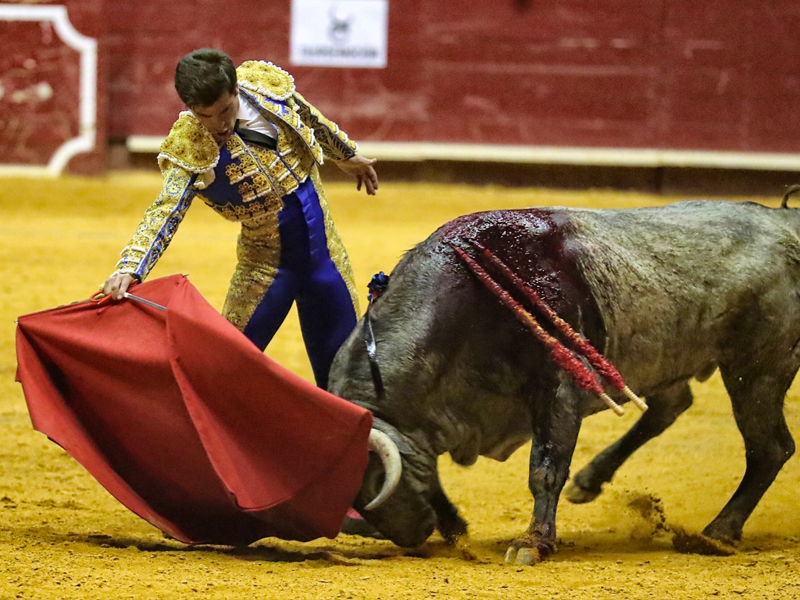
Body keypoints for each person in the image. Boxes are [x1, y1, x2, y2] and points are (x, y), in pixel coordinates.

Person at [103, 48, 378, 390]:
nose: (218, 125)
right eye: (205, 116)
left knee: (347, 377)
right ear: (191, 109)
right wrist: (131, 267)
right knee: (222, 373)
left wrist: (347, 154)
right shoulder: (188, 145)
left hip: (327, 258)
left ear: (236, 90)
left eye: (225, 111)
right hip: (265, 271)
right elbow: (165, 210)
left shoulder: (263, 87)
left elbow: (309, 117)